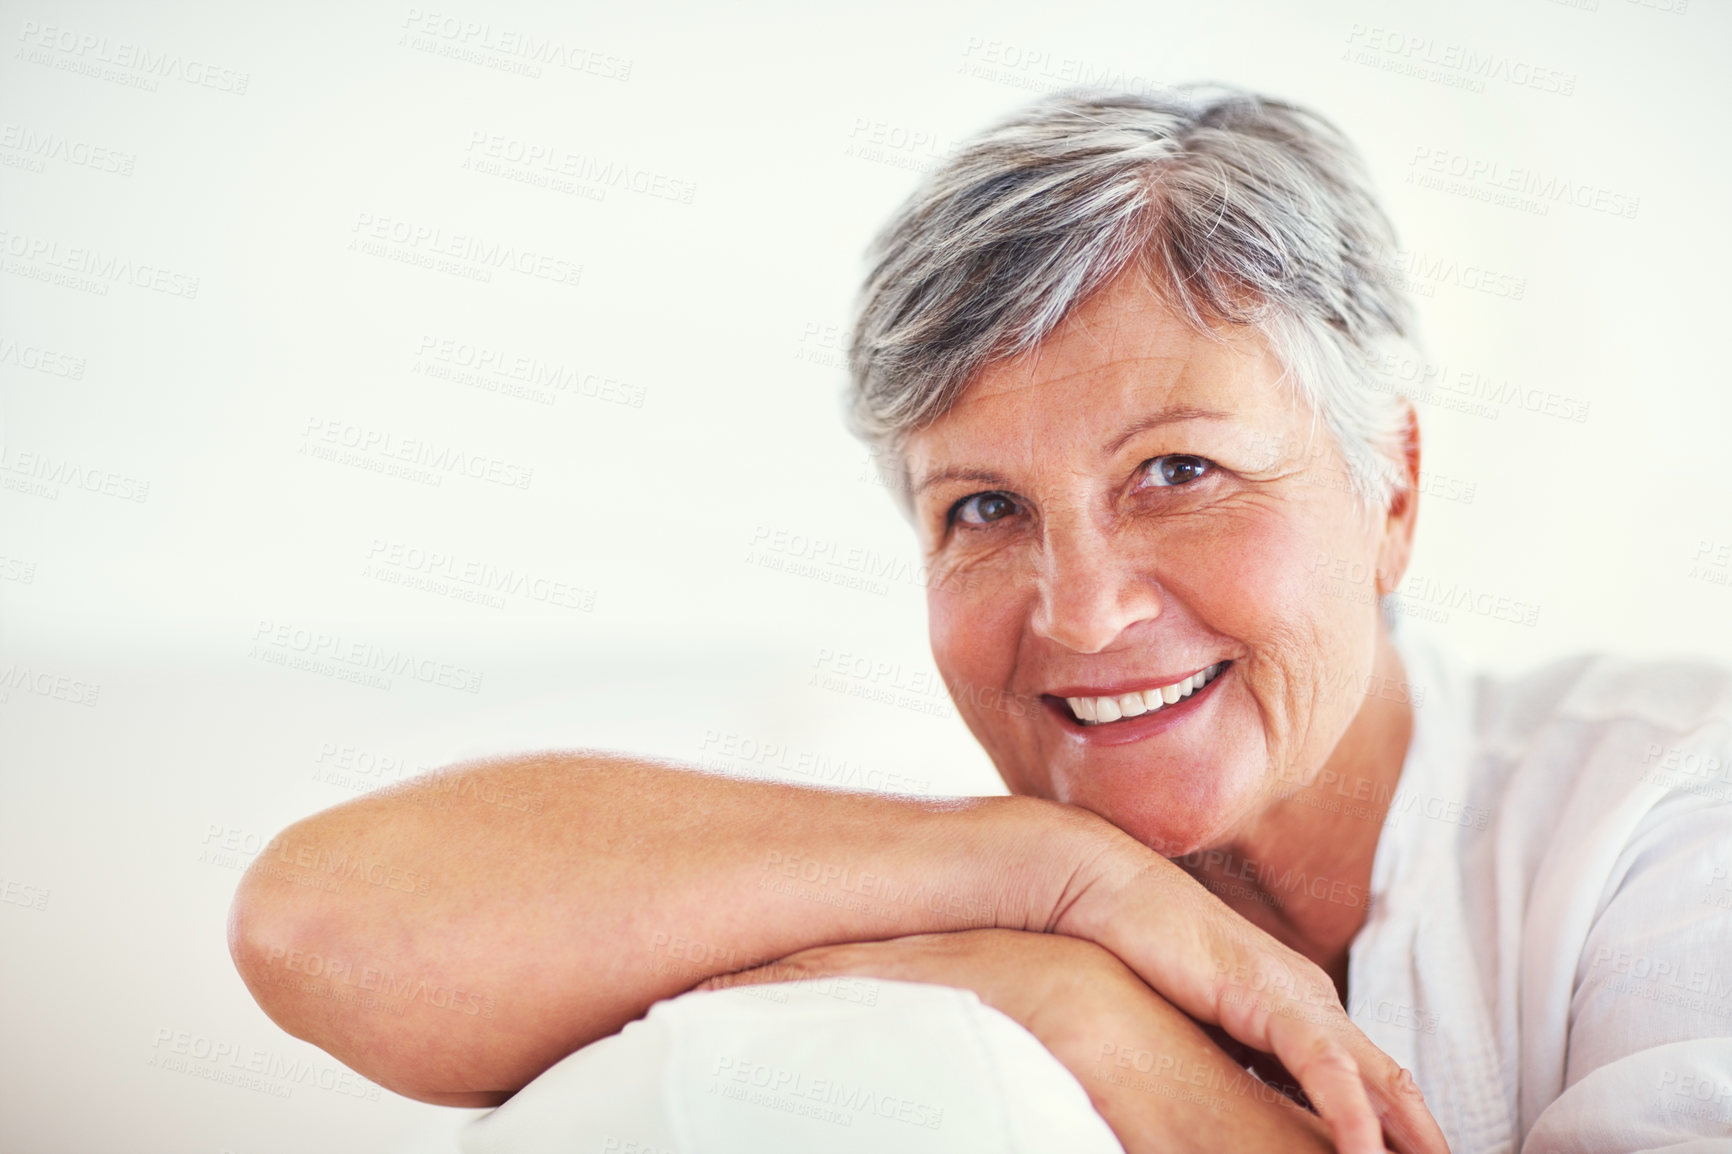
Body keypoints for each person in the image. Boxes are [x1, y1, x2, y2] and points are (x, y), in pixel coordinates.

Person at [228, 86, 1732, 1154]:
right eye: (983, 509)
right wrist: (1051, 880)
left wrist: (1103, 1029)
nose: (1081, 613)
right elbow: (321, 923)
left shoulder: (1671, 810)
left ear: (1392, 486)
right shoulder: (958, 880)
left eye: (1179, 471)